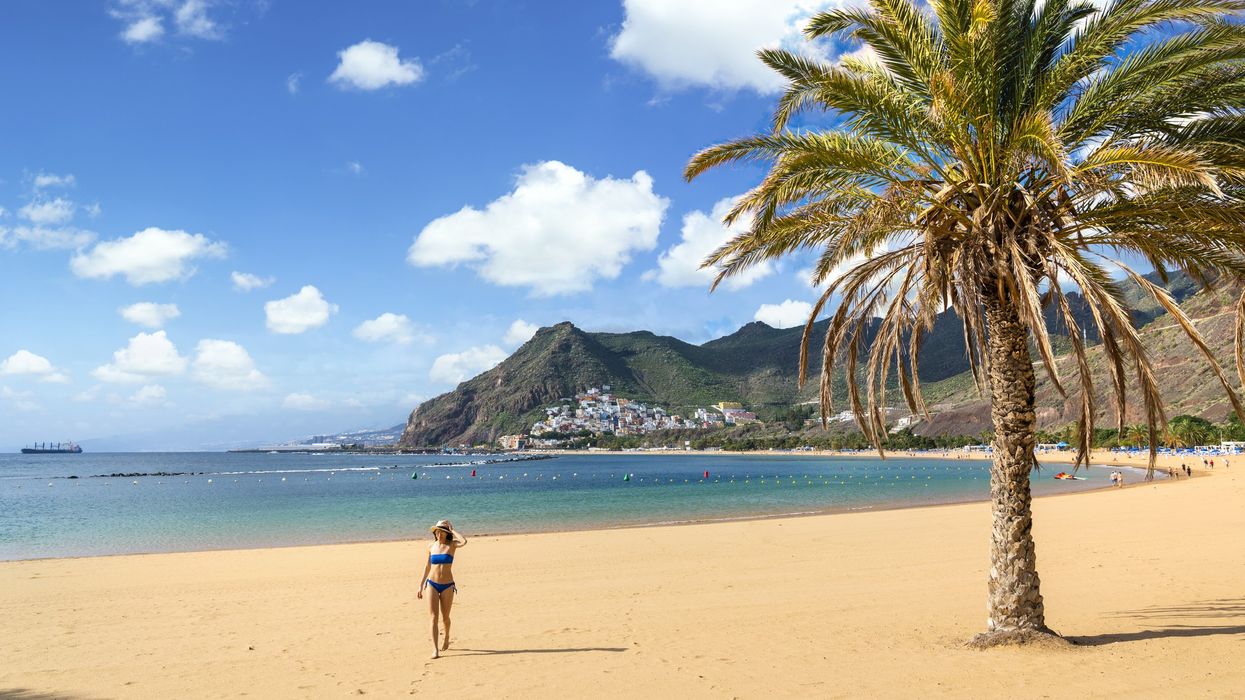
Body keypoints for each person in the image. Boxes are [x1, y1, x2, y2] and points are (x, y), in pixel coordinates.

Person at [418, 519, 467, 659]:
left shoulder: (452, 545)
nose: (440, 534)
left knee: (445, 618)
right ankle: (435, 649)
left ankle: (447, 636)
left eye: (443, 532)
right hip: (432, 584)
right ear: (435, 533)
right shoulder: (431, 546)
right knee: (433, 617)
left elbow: (464, 541)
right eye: (438, 531)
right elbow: (427, 567)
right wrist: (420, 585)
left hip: (447, 585)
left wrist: (452, 530)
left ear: (447, 534)